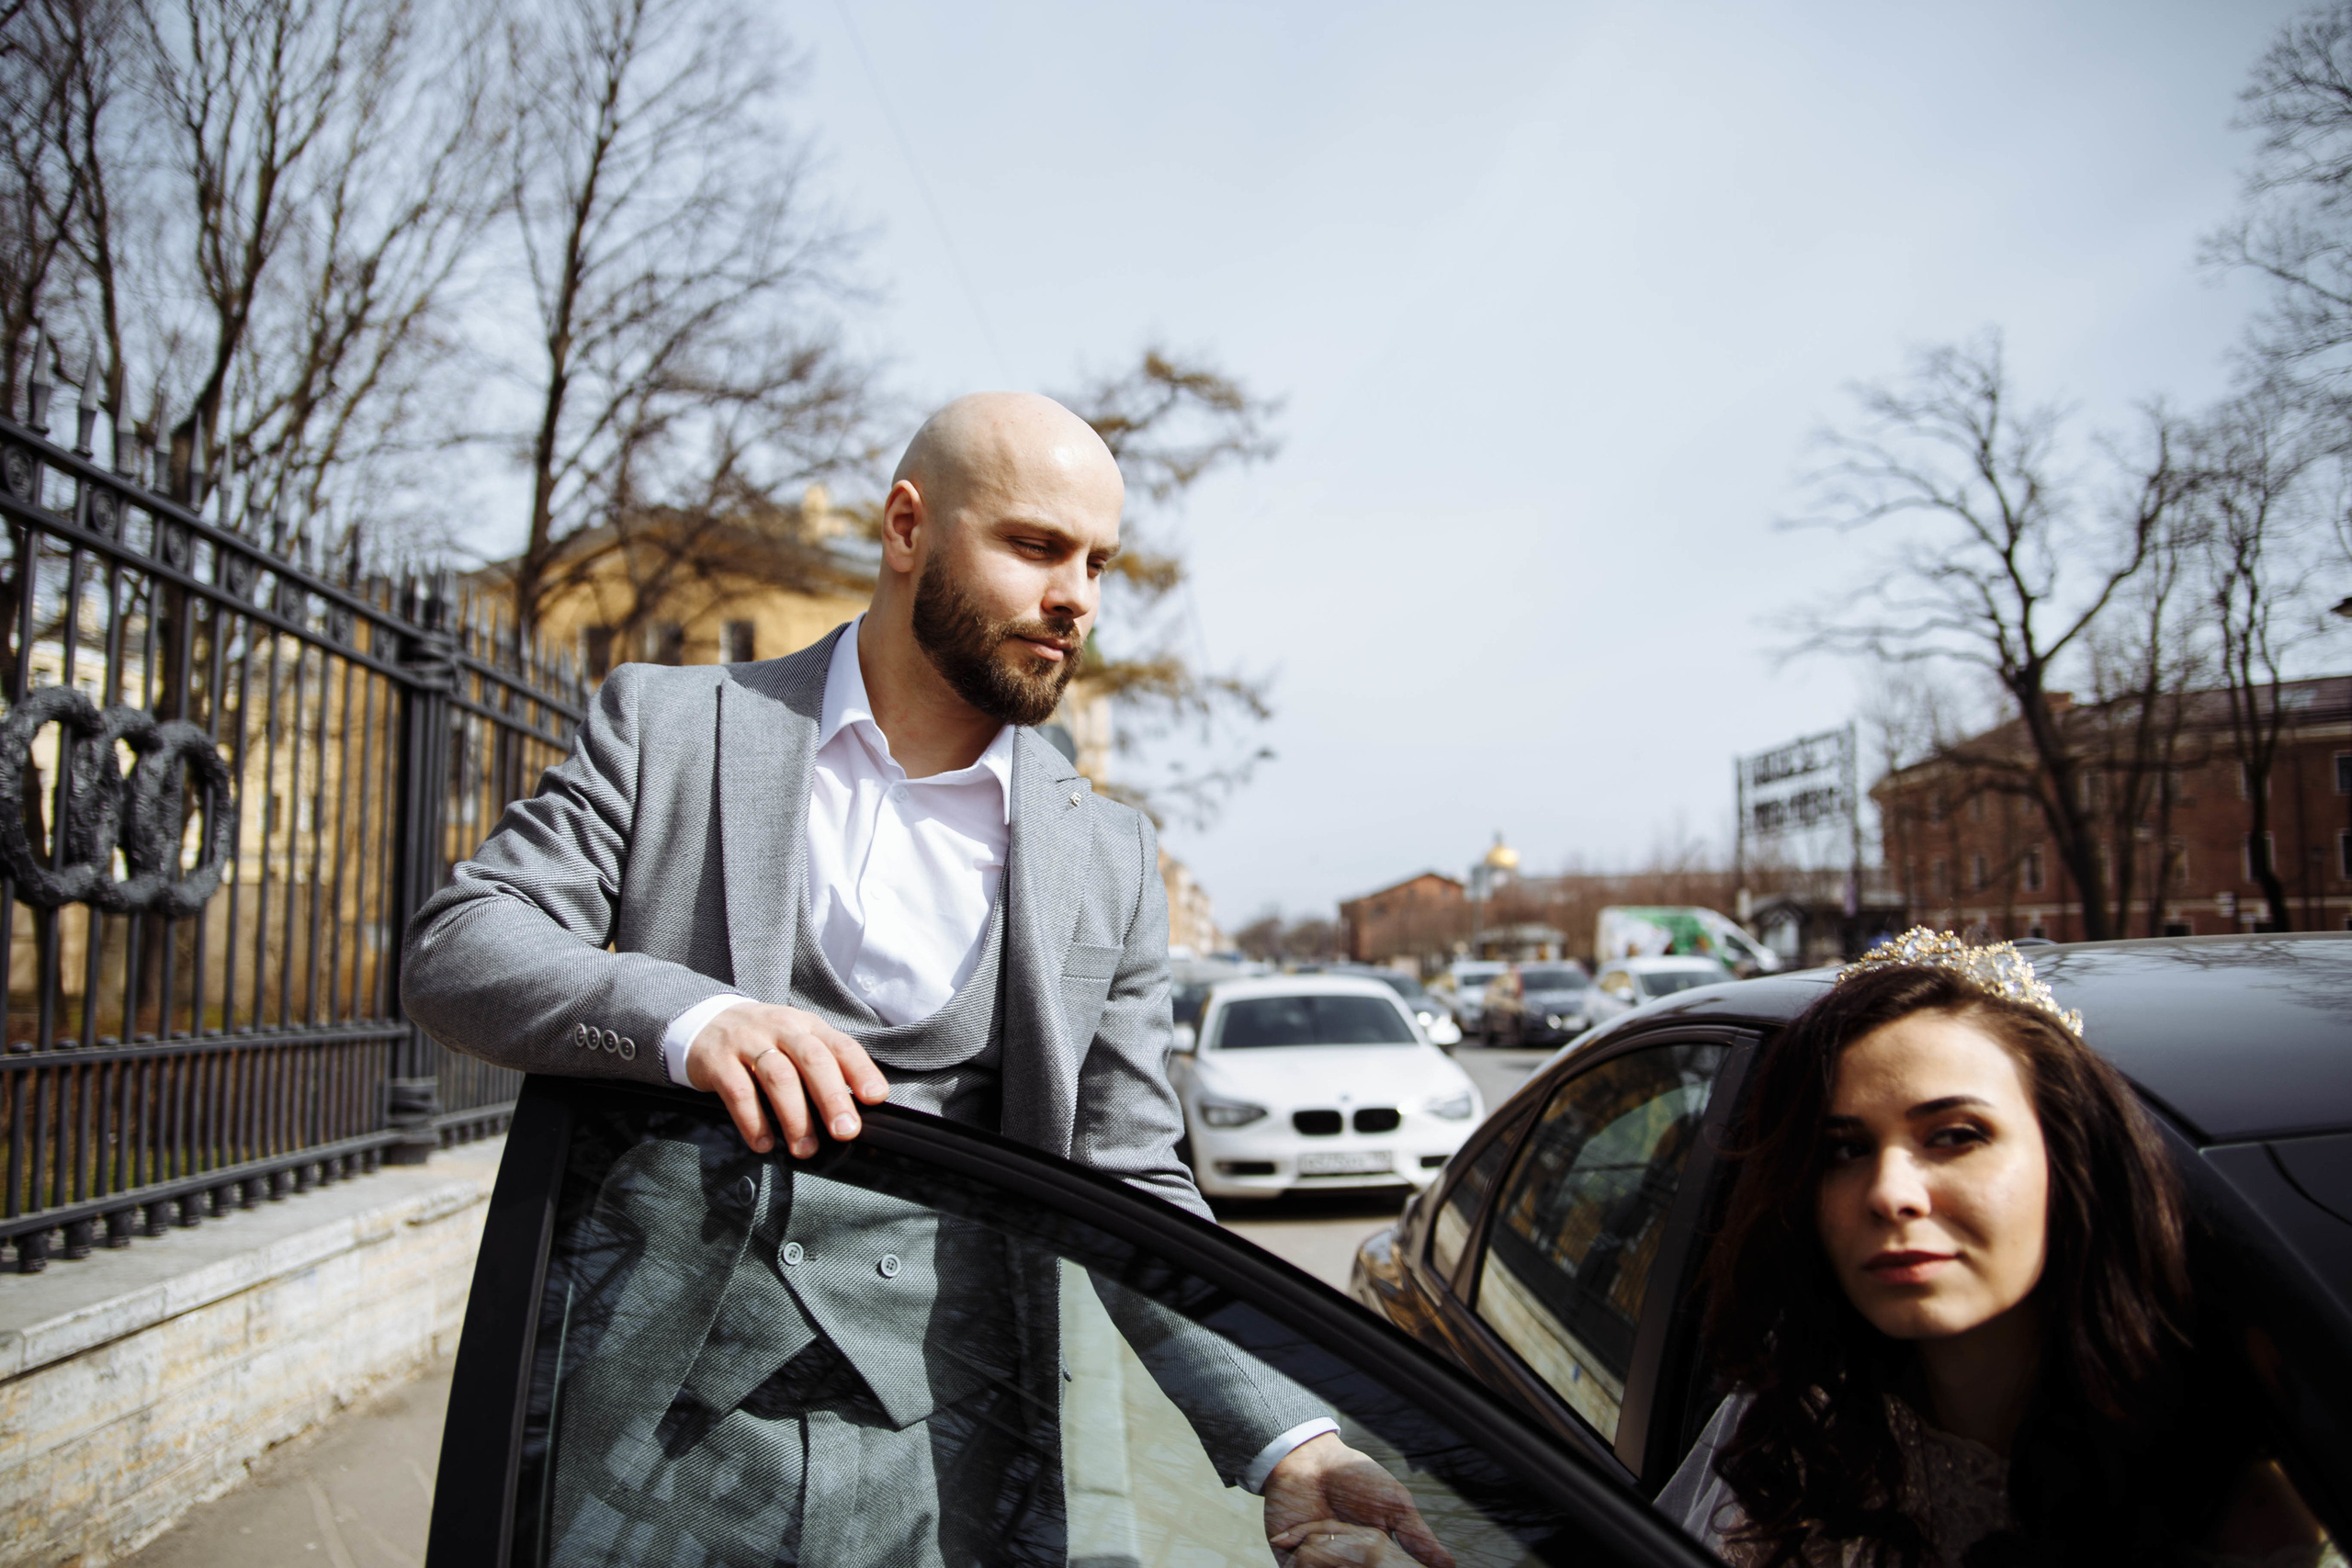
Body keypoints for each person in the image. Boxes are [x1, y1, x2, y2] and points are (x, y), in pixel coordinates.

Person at [401, 393, 1448, 1567]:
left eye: (1097, 563)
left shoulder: (1107, 858)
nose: (1078, 598)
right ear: (907, 529)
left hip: (954, 1464)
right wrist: (691, 1021)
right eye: (1037, 547)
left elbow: (1131, 1176)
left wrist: (1287, 1438)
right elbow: (462, 948)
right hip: (645, 1448)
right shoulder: (673, 727)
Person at [1658, 930, 2329, 1568]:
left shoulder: (2247, 1499)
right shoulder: (1796, 1443)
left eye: (1954, 1135)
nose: (1891, 1193)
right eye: (1844, 1149)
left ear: (2067, 1157)